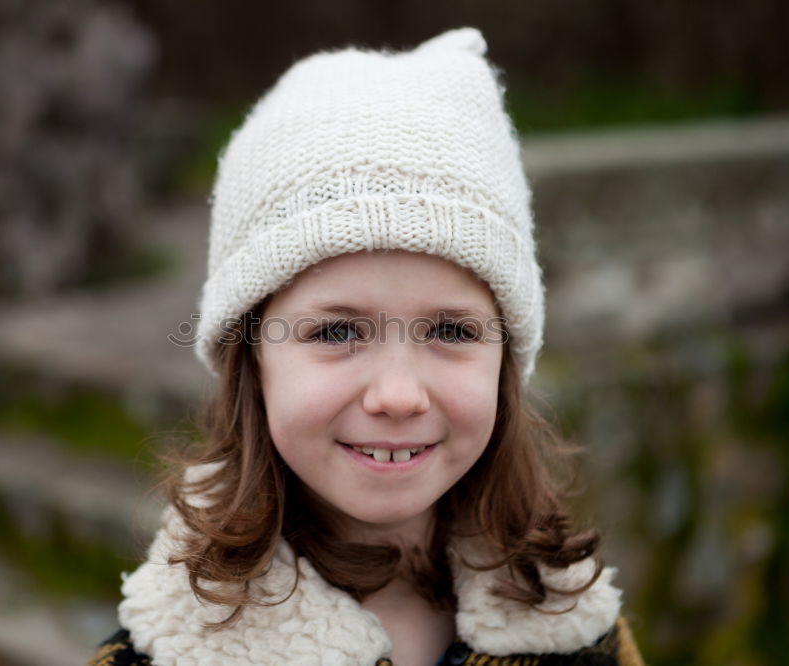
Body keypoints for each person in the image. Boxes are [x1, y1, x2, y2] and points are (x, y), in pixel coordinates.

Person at [89, 27, 645, 666]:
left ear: (505, 361)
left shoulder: (577, 620)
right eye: (336, 332)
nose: (398, 396)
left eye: (450, 331)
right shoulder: (162, 653)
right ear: (253, 360)